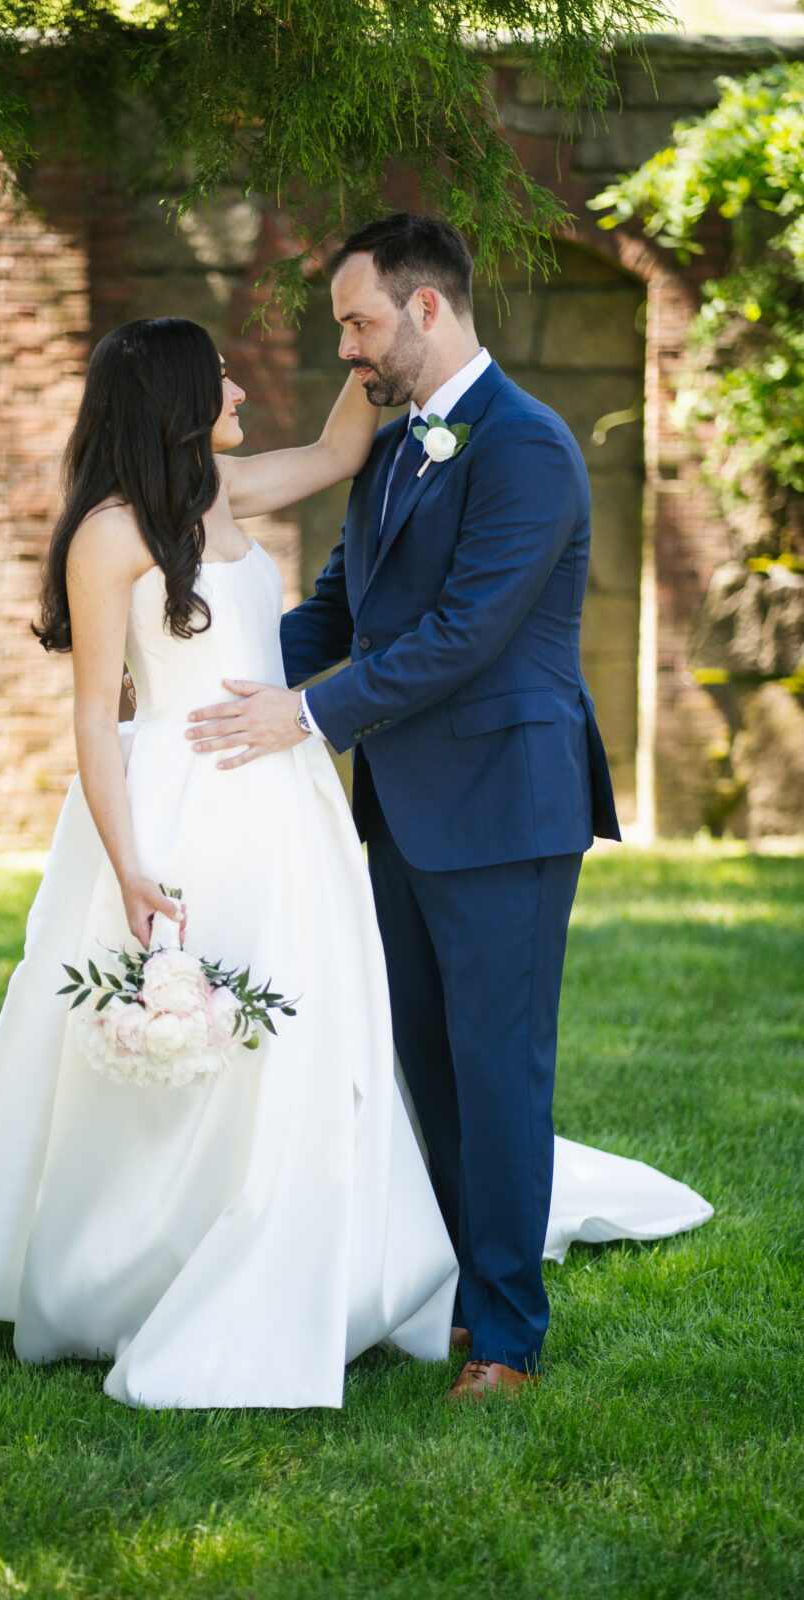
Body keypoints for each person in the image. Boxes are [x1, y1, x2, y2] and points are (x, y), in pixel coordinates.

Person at [0, 312, 712, 1409]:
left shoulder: (221, 492)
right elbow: (98, 724)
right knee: (189, 1034)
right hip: (179, 802)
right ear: (174, 400)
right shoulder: (108, 534)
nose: (240, 386)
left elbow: (342, 452)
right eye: (221, 378)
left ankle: (322, 1245)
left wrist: (364, 353)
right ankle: (147, 1254)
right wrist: (131, 862)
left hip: (286, 805)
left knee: (317, 1027)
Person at [184, 214, 694, 1399]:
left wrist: (301, 720)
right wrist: (201, 665)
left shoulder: (525, 446)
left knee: (496, 1069)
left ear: (425, 309)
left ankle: (509, 1335)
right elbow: (337, 607)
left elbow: (464, 636)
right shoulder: (395, 443)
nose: (347, 350)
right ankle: (470, 1289)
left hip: (505, 807)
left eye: (358, 323)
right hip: (399, 812)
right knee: (427, 1066)